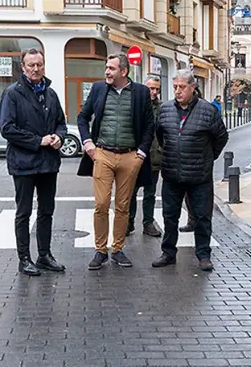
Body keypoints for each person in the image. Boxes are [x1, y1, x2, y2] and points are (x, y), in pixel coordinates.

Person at [77, 53, 155, 270]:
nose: (107, 72)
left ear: (124, 71)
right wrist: (88, 143)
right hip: (103, 154)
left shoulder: (140, 92)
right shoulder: (98, 89)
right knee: (101, 204)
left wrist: (141, 153)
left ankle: (117, 249)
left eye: (111, 68)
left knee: (122, 206)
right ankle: (100, 250)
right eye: (106, 68)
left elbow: (150, 125)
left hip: (130, 156)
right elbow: (82, 117)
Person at [0, 48, 68, 277]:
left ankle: (44, 255)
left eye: (40, 64)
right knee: (24, 212)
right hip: (24, 163)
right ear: (23, 67)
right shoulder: (12, 93)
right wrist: (39, 141)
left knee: (47, 211)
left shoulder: (50, 93)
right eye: (31, 65)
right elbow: (7, 129)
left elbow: (61, 123)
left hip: (48, 163)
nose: (36, 69)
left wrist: (59, 136)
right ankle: (24, 258)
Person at [152, 69, 229, 272]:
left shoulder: (207, 110)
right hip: (171, 174)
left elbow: (221, 137)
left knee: (202, 217)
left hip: (199, 175)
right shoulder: (166, 109)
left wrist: (208, 157)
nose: (177, 91)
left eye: (182, 87)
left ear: (193, 88)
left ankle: (203, 255)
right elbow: (160, 135)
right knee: (170, 216)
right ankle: (168, 253)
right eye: (175, 87)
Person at [127, 77, 164, 237]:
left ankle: (148, 223)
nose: (154, 92)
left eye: (157, 89)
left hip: (154, 158)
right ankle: (128, 222)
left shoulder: (163, 108)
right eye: (151, 88)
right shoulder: (135, 105)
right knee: (130, 192)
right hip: (135, 156)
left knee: (150, 193)